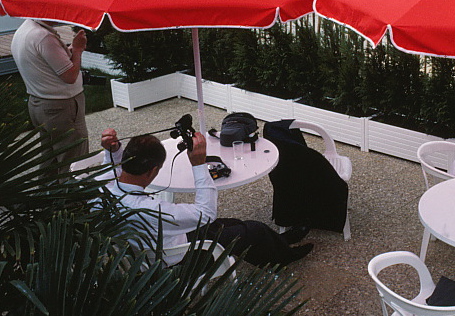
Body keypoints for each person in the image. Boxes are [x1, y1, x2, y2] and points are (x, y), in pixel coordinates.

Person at [99, 128, 313, 267]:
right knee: (252, 229)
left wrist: (114, 151)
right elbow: (206, 213)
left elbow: (108, 171)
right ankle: (284, 257)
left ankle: (278, 244)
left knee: (233, 224)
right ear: (152, 171)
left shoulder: (102, 189)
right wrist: (199, 164)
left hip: (155, 243)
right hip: (178, 257)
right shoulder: (147, 209)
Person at [10, 20, 89, 173]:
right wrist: (78, 50)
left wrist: (69, 50)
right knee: (73, 162)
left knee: (50, 160)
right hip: (61, 108)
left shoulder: (25, 29)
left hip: (39, 104)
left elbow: (46, 61)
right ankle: (73, 197)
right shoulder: (44, 37)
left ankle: (46, 194)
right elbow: (70, 76)